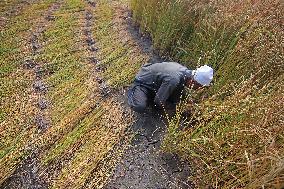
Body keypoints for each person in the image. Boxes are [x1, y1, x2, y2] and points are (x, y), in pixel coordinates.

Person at [127, 62, 214, 113]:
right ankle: (134, 92)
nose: (198, 89)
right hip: (143, 82)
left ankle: (156, 94)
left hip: (156, 81)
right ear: (192, 81)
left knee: (179, 98)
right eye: (198, 87)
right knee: (140, 106)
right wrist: (175, 109)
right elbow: (158, 101)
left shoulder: (185, 73)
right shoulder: (174, 79)